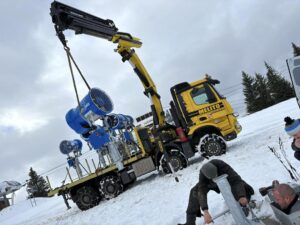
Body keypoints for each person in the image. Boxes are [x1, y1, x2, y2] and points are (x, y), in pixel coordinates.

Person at [178, 159, 254, 225]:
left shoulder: (221, 164)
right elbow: (202, 192)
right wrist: (205, 211)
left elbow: (236, 180)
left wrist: (241, 196)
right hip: (211, 183)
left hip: (226, 180)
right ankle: (190, 222)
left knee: (242, 189)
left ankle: (244, 205)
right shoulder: (203, 174)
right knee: (194, 191)